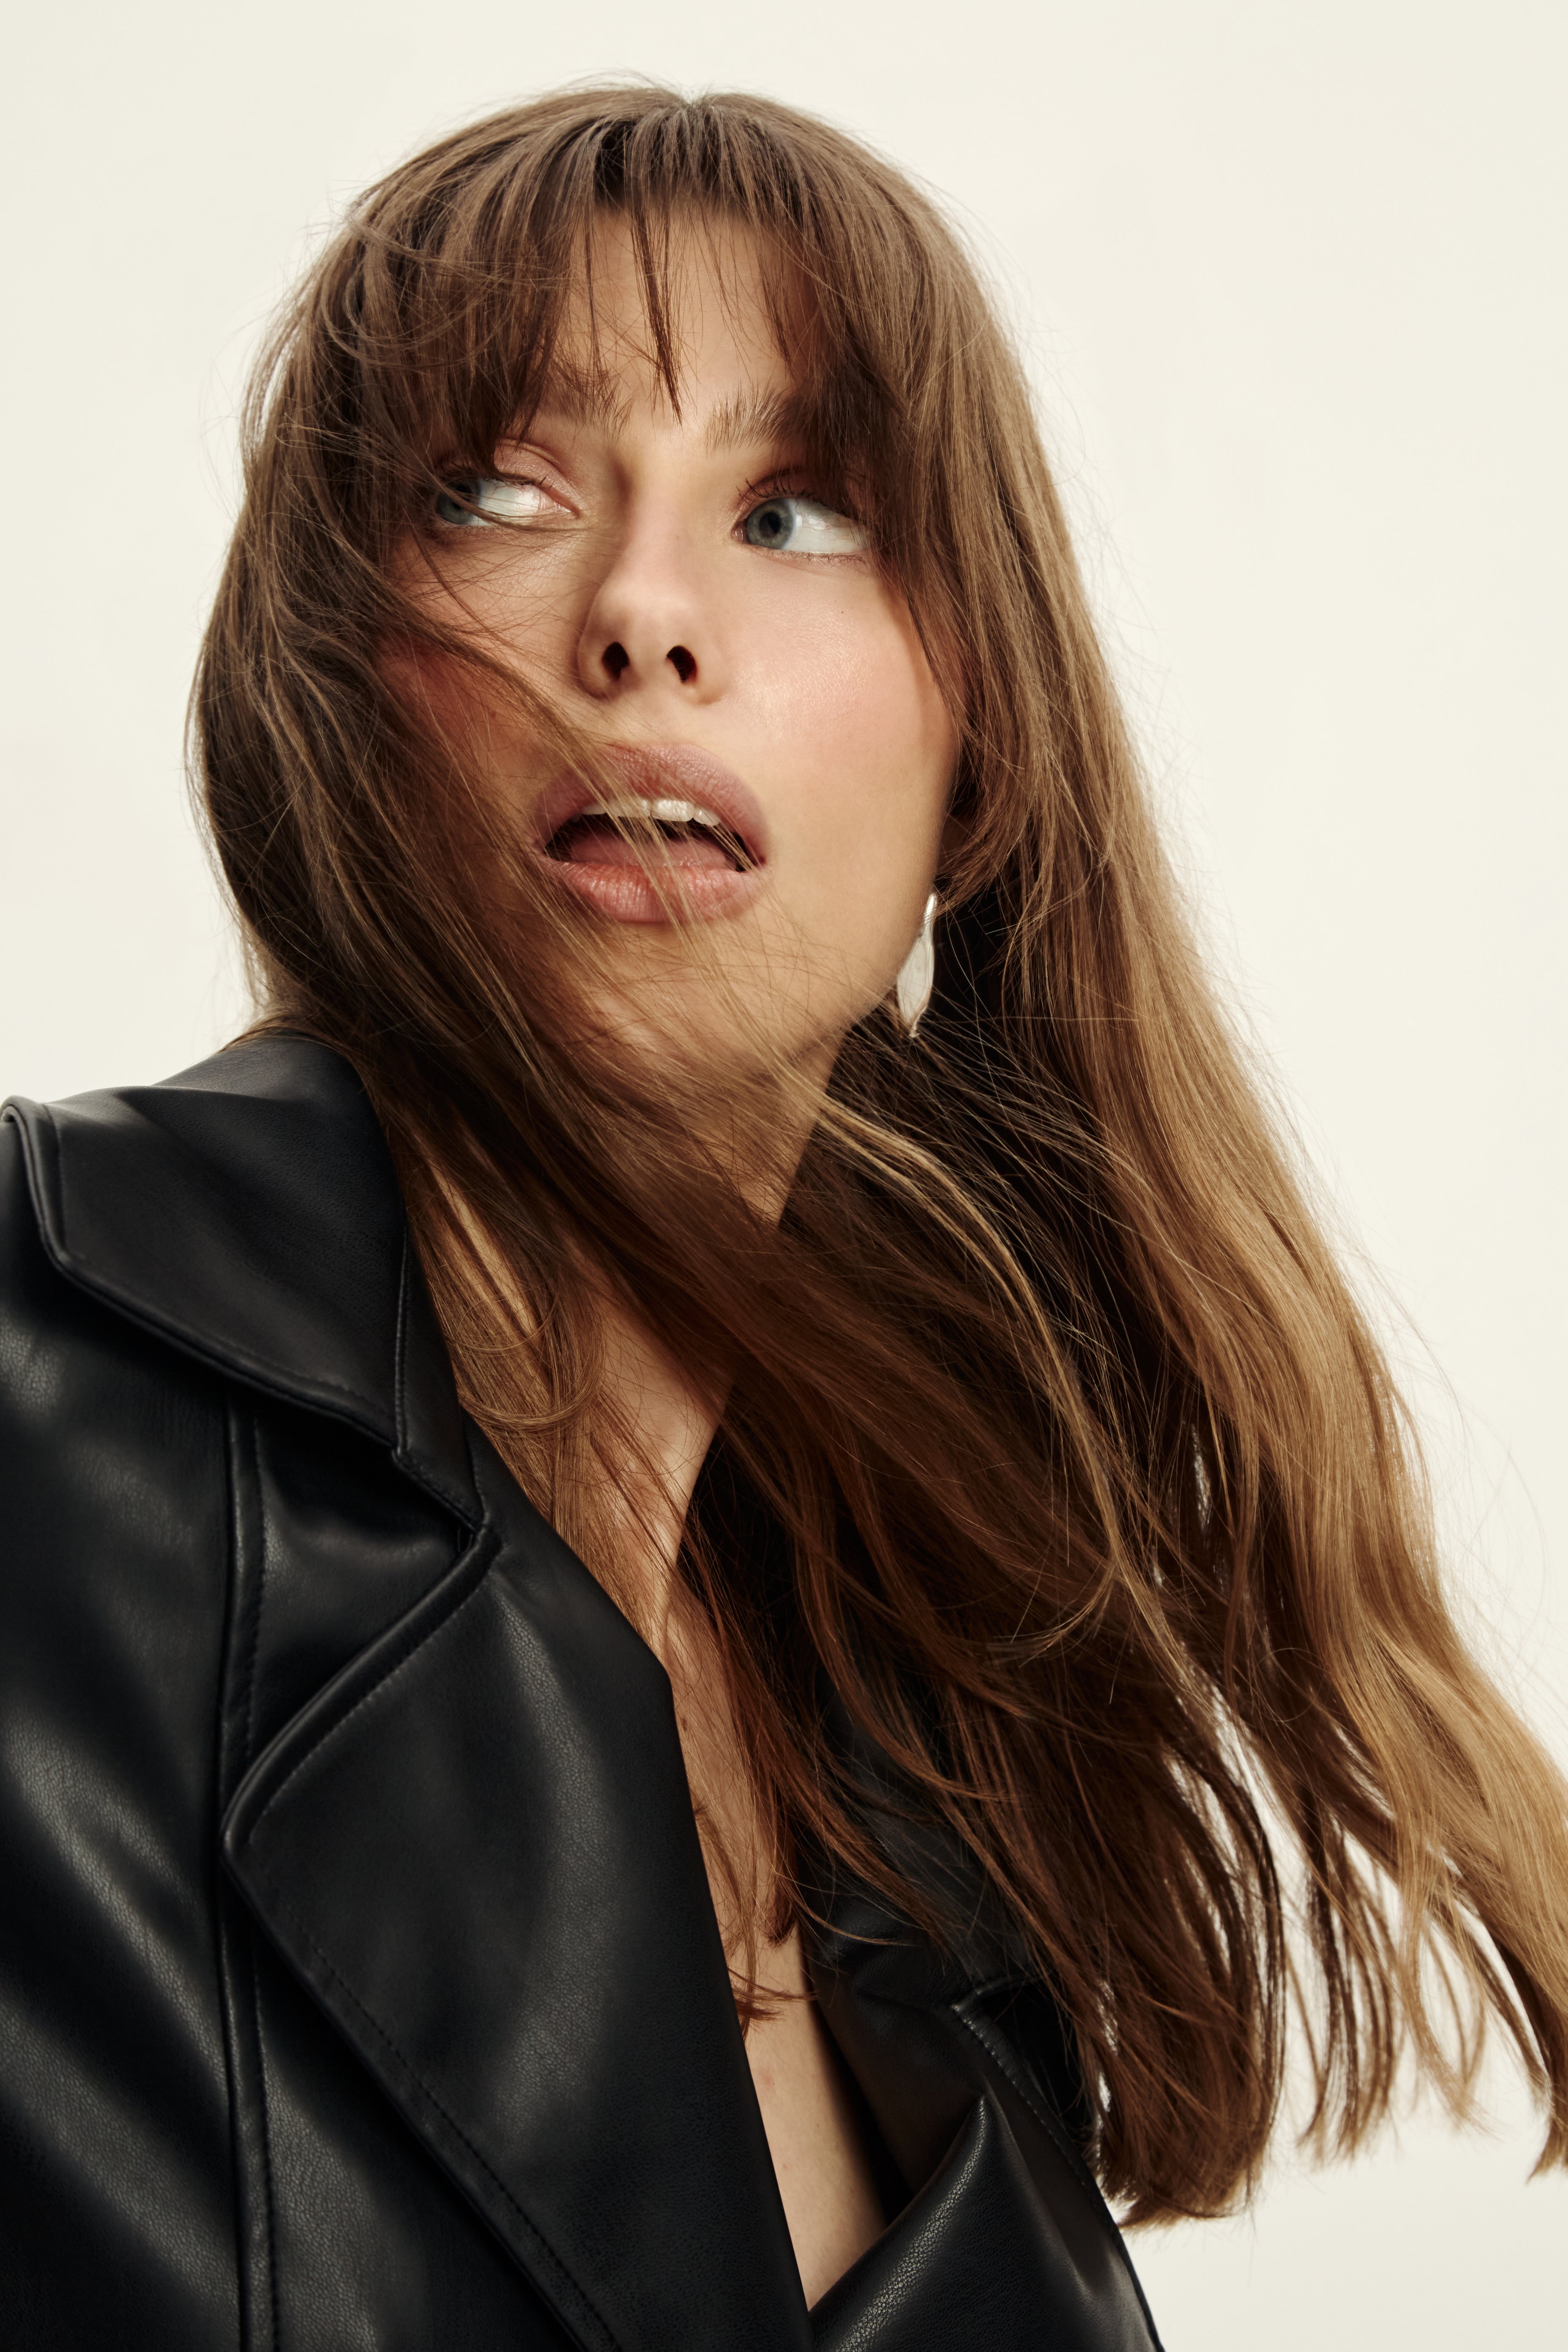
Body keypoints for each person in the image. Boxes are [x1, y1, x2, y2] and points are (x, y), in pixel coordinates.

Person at [1, 84, 1564, 2352]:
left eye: (799, 510)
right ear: (331, 685)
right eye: (500, 490)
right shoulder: (41, 1384)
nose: (642, 614)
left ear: (981, 761)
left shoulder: (938, 1751)